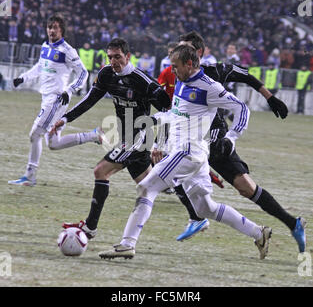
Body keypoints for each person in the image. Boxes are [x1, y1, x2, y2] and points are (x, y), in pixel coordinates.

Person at [98, 45, 272, 260]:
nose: (173, 70)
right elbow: (176, 113)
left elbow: (241, 109)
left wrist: (231, 138)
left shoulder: (209, 87)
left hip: (186, 152)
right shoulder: (182, 81)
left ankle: (126, 244)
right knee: (206, 208)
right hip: (193, 154)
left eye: (176, 66)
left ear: (189, 64)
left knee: (145, 188)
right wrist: (155, 120)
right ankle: (258, 232)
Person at [157, 31, 305, 253]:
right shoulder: (179, 75)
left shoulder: (214, 71)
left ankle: (293, 223)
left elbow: (246, 76)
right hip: (190, 142)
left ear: (197, 53)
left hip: (216, 143)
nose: (177, 54)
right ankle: (195, 217)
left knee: (246, 188)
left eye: (184, 49)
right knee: (169, 172)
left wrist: (270, 97)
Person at [50, 38, 171, 239]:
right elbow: (90, 99)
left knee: (101, 171)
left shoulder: (144, 82)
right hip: (126, 137)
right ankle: (191, 201)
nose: (114, 61)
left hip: (139, 138)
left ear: (128, 56)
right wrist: (65, 118)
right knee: (148, 187)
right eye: (110, 57)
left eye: (118, 57)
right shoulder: (107, 74)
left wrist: (161, 143)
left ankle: (90, 227)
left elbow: (169, 111)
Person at [7, 14, 102, 187]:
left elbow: (83, 73)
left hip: (56, 99)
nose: (51, 30)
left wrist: (70, 89)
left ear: (61, 30)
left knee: (35, 134)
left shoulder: (67, 50)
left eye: (55, 27)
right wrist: (23, 78)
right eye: (49, 27)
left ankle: (30, 176)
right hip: (47, 98)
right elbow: (39, 67)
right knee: (53, 143)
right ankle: (92, 136)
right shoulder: (45, 46)